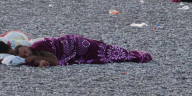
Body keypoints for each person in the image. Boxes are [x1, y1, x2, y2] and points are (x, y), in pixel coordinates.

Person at [14, 35, 152, 67]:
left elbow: (54, 61)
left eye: (25, 51)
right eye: (24, 55)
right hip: (76, 46)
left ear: (27, 47)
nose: (27, 54)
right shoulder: (35, 55)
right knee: (105, 52)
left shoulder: (38, 47)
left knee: (105, 51)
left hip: (77, 44)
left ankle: (136, 55)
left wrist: (33, 59)